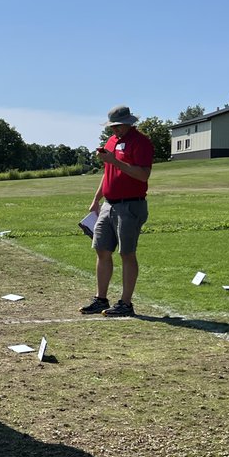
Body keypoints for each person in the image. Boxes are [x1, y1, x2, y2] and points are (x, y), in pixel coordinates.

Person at [80, 105, 153, 318]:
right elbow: (107, 173)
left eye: (118, 126)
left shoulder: (141, 142)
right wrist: (96, 199)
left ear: (129, 123)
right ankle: (100, 298)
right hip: (108, 205)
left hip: (130, 205)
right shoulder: (111, 142)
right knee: (101, 249)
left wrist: (115, 161)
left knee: (126, 253)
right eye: (112, 127)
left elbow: (143, 175)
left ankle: (126, 303)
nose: (115, 131)